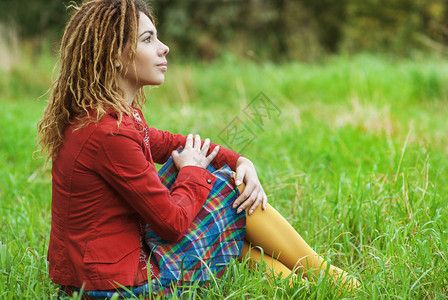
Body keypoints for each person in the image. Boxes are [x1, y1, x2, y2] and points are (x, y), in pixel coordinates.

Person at [36, 0, 359, 298]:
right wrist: (194, 170)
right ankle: (331, 279)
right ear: (115, 56)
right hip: (118, 285)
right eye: (147, 39)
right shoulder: (109, 133)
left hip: (100, 274)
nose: (164, 48)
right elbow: (172, 224)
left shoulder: (106, 116)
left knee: (227, 215)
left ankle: (310, 286)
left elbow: (170, 142)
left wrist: (240, 160)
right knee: (225, 189)